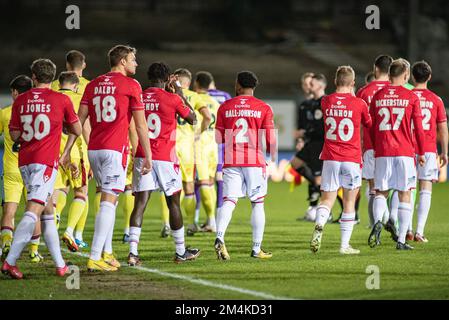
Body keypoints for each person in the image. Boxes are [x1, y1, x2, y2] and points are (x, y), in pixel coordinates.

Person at [61, 45, 153, 271]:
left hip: (94, 150)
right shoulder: (132, 85)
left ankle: (108, 252)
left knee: (108, 200)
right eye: (133, 59)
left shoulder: (92, 85)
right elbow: (140, 125)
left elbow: (78, 122)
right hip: (114, 150)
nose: (136, 64)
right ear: (122, 61)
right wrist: (147, 154)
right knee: (108, 203)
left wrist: (66, 151)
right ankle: (94, 257)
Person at [1, 59, 82, 279]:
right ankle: (10, 262)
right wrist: (65, 152)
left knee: (47, 213)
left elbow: (15, 135)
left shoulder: (20, 100)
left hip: (24, 161)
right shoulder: (61, 99)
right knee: (32, 212)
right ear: (52, 77)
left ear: (34, 77)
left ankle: (60, 265)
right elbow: (77, 128)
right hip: (44, 163)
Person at [127, 62, 200, 266]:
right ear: (168, 78)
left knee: (140, 204)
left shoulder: (138, 96)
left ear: (149, 77)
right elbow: (193, 118)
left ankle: (133, 253)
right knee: (173, 203)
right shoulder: (173, 98)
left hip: (143, 154)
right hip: (166, 158)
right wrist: (178, 91)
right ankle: (180, 251)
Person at [214, 71, 277, 260]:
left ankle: (219, 237)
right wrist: (271, 158)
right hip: (254, 161)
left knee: (229, 201)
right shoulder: (263, 107)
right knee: (257, 203)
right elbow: (270, 139)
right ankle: (256, 249)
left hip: (232, 159)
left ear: (239, 85)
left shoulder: (225, 106)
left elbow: (218, 138)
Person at [310, 66, 372, 254]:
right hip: (351, 158)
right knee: (349, 203)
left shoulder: (326, 101)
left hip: (330, 158)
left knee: (327, 199)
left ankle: (320, 224)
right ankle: (344, 246)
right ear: (353, 83)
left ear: (335, 81)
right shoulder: (359, 103)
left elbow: (334, 102)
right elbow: (368, 124)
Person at [368, 58, 426, 250]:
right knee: (405, 193)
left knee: (380, 192)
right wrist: (423, 153)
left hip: (382, 151)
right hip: (404, 152)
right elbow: (418, 129)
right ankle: (401, 240)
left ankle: (377, 223)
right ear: (406, 75)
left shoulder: (378, 96)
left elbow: (371, 126)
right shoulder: (411, 97)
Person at [0, 75, 44, 263]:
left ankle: (6, 243)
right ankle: (34, 251)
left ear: (16, 92)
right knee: (34, 211)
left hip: (11, 169)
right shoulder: (38, 113)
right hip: (33, 168)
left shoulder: (5, 113)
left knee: (9, 211)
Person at [51, 50, 91, 249]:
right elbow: (83, 125)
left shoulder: (51, 91)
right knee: (82, 192)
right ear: (83, 65)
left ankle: (53, 223)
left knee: (60, 190)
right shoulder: (87, 90)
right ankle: (73, 233)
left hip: (52, 150)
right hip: (75, 148)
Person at [410, 61, 448, 242]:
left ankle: (407, 230)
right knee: (425, 187)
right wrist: (445, 152)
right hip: (428, 149)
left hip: (407, 149)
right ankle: (419, 232)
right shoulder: (436, 99)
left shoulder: (406, 96)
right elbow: (443, 128)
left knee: (407, 189)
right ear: (429, 77)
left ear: (411, 76)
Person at [356, 55, 393, 229]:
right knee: (393, 188)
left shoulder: (363, 91)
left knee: (373, 187)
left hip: (370, 145)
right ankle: (391, 220)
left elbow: (359, 124)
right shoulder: (397, 90)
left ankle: (375, 224)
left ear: (375, 69)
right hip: (393, 146)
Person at [291, 74, 327, 221]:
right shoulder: (308, 104)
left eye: (311, 83)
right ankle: (317, 205)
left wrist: (304, 132)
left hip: (319, 143)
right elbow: (306, 124)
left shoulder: (325, 101)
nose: (308, 87)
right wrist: (301, 137)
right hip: (310, 143)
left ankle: (326, 209)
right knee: (295, 163)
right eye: (307, 84)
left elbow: (320, 127)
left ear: (319, 85)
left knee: (319, 180)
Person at [193, 71, 220, 232]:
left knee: (203, 184)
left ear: (196, 83)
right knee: (210, 185)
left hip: (200, 146)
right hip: (213, 146)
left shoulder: (195, 100)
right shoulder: (216, 103)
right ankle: (211, 220)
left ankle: (211, 221)